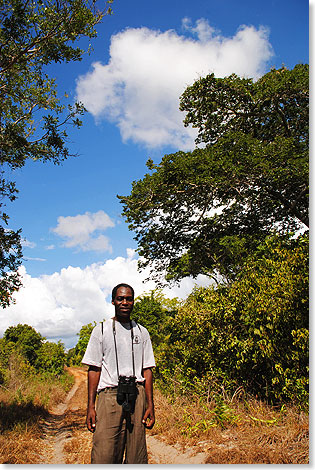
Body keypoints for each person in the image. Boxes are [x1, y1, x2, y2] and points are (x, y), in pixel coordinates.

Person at [82, 283, 155, 464]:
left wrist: (150, 405)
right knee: (104, 455)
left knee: (136, 455)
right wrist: (91, 406)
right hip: (109, 396)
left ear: (133, 302)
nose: (125, 302)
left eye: (129, 299)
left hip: (137, 396)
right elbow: (94, 369)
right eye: (120, 298)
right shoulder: (101, 330)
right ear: (113, 301)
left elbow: (147, 369)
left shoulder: (141, 331)